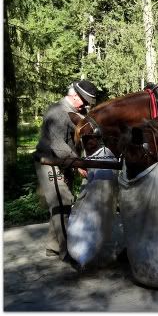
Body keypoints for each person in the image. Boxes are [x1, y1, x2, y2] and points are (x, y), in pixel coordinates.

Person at [33, 80, 99, 260]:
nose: (85, 105)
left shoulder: (77, 111)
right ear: (74, 96)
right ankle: (67, 251)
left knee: (61, 204)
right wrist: (79, 163)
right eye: (84, 101)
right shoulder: (57, 112)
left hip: (66, 163)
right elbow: (58, 144)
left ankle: (53, 247)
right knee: (63, 203)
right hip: (50, 162)